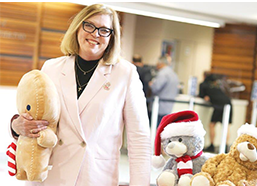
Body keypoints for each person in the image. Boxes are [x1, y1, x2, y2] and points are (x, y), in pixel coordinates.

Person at [10, 4, 151, 186]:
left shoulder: (125, 73)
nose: (95, 34)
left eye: (104, 30)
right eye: (89, 26)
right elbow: (35, 117)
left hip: (95, 177)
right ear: (78, 27)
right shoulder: (52, 68)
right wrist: (16, 125)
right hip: (53, 174)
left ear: (112, 37)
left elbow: (139, 139)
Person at [199, 71, 233, 153]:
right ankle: (226, 146)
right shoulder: (217, 85)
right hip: (228, 103)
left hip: (218, 105)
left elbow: (201, 95)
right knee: (226, 126)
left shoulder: (203, 84)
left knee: (212, 125)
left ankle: (212, 145)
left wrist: (206, 96)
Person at [149, 55, 179, 127]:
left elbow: (156, 88)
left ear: (161, 63)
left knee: (154, 130)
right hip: (168, 107)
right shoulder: (174, 74)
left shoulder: (162, 73)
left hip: (159, 108)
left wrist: (151, 84)